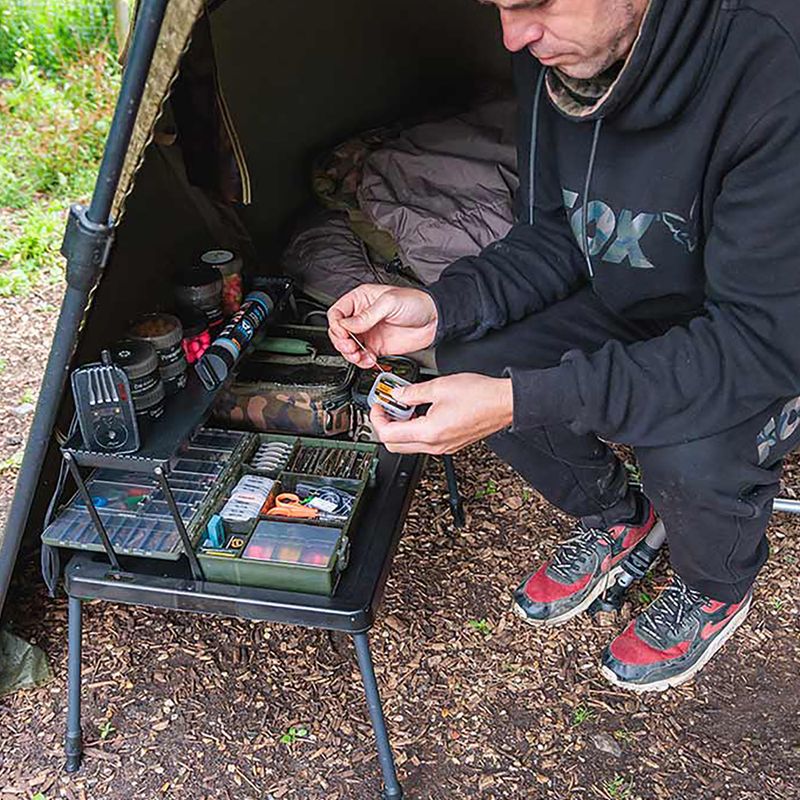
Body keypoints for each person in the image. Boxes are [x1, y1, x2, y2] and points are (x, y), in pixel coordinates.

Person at [327, 0, 800, 692]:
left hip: (755, 340)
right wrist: (438, 308)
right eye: (498, 7)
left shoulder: (773, 65)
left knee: (684, 448)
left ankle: (715, 587)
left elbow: (758, 344)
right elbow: (559, 231)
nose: (513, 37)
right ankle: (617, 518)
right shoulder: (554, 59)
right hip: (637, 302)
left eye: (535, 4)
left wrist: (522, 401)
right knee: (473, 355)